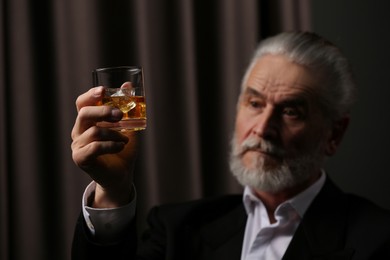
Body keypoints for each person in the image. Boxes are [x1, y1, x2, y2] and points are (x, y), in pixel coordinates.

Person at [71, 31, 390, 260]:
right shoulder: (176, 230)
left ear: (334, 134)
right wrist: (112, 191)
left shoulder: (377, 240)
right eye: (254, 103)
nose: (263, 128)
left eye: (291, 111)